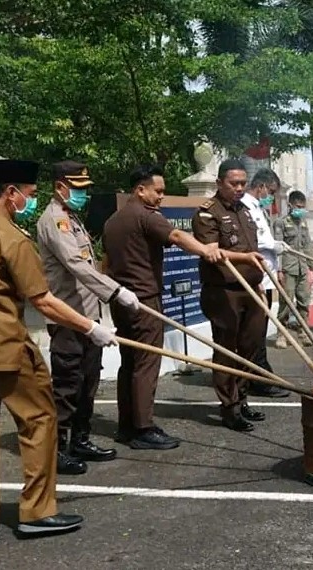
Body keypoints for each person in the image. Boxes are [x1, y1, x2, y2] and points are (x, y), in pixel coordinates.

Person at [0, 159, 116, 547]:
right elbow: (44, 301)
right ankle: (38, 511)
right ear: (12, 193)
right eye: (30, 195)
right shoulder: (13, 239)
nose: (31, 202)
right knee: (39, 420)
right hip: (5, 349)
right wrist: (91, 327)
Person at [102, 164, 224, 450]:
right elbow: (178, 237)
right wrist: (206, 250)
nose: (161, 197)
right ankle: (143, 428)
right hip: (144, 302)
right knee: (146, 365)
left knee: (129, 363)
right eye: (157, 191)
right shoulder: (146, 216)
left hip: (121, 300)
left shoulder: (112, 221)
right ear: (140, 190)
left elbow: (106, 264)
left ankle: (126, 425)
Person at [37, 161, 138, 475]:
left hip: (88, 316)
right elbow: (76, 266)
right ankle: (56, 450)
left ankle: (80, 440)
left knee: (88, 383)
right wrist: (116, 290)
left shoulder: (72, 218)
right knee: (67, 385)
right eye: (78, 188)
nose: (83, 194)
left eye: (84, 188)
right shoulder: (54, 220)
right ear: (60, 187)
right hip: (68, 318)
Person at [192, 159, 269, 432]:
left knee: (250, 346)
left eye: (242, 183)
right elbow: (212, 252)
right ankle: (229, 407)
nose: (238, 188)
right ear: (219, 183)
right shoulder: (207, 213)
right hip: (224, 292)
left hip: (251, 290)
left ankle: (243, 399)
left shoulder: (245, 210)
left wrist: (256, 277)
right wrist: (246, 259)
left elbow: (252, 248)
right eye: (233, 183)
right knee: (227, 350)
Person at [240, 168, 290, 398]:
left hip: (266, 274)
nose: (270, 196)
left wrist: (276, 253)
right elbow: (252, 241)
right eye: (269, 191)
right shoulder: (245, 206)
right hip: (256, 275)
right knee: (255, 330)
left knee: (260, 329)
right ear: (260, 186)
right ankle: (257, 377)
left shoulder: (259, 207)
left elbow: (266, 238)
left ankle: (260, 373)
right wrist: (272, 246)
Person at [273, 190, 313, 349]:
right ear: (290, 205)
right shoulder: (281, 223)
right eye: (298, 206)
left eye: (302, 207)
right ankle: (282, 334)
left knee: (304, 301)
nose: (300, 209)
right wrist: (278, 270)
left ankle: (303, 332)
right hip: (288, 268)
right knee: (286, 302)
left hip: (302, 267)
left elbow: (308, 246)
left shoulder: (303, 223)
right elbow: (278, 248)